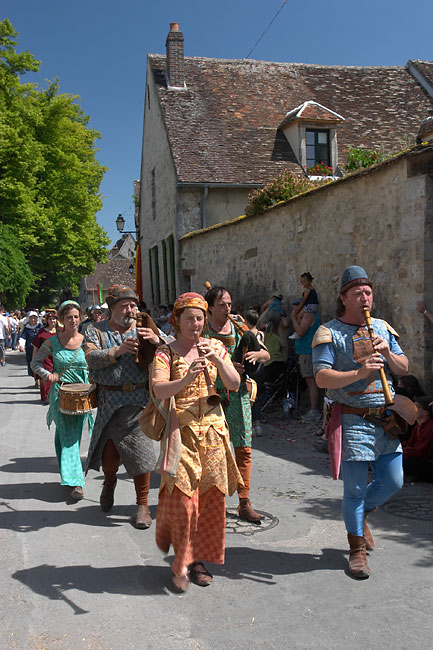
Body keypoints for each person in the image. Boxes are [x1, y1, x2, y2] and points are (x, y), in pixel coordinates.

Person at [312, 265, 409, 580]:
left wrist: (388, 355)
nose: (365, 298)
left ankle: (363, 513)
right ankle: (356, 551)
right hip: (353, 418)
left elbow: (404, 367)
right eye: (358, 293)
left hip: (385, 418)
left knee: (393, 480)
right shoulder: (329, 331)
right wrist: (360, 372)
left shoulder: (382, 327)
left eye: (368, 292)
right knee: (353, 488)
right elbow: (322, 377)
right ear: (343, 297)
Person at [152, 292, 242, 592]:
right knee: (184, 502)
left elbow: (234, 383)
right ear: (176, 321)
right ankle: (183, 557)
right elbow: (159, 390)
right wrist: (186, 379)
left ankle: (198, 560)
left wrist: (217, 358)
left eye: (200, 318)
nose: (195, 323)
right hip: (183, 434)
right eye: (189, 318)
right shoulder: (165, 352)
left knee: (212, 501)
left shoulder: (215, 346)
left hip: (214, 433)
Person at [83, 284, 170, 529]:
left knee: (142, 456)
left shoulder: (144, 327)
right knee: (109, 459)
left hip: (139, 403)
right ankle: (109, 482)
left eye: (133, 304)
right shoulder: (95, 331)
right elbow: (90, 358)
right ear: (112, 308)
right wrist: (118, 351)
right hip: (110, 404)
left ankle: (142, 505)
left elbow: (173, 348)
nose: (130, 309)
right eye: (124, 305)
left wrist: (159, 339)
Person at [204, 285, 270, 523]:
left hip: (239, 394)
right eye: (222, 305)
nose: (227, 309)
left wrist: (255, 356)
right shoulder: (201, 330)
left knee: (243, 448)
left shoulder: (240, 327)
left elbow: (266, 354)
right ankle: (214, 500)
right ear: (210, 307)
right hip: (211, 395)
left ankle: (244, 501)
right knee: (213, 451)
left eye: (229, 304)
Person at [31, 301, 94, 500]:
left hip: (82, 396)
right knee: (69, 437)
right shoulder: (53, 342)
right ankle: (76, 482)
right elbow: (35, 362)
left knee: (69, 435)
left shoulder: (87, 341)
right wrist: (47, 375)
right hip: (60, 395)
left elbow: (98, 361)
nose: (74, 321)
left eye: (76, 317)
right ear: (61, 320)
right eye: (69, 317)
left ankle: (66, 471)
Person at [291, 298, 321, 422]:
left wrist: (293, 318)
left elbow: (300, 331)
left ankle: (314, 410)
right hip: (306, 352)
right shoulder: (306, 317)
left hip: (308, 352)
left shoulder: (308, 316)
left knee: (311, 381)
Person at [402, 395, 433, 482]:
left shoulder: (430, 427)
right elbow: (410, 443)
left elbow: (419, 451)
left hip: (427, 462)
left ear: (425, 412)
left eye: (415, 407)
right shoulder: (418, 426)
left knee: (408, 462)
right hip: (418, 457)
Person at [32, 309, 58, 404]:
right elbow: (35, 347)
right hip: (45, 358)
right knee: (46, 377)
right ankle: (46, 397)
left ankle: (55, 397)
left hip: (57, 357)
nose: (52, 321)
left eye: (54, 319)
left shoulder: (60, 331)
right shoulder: (42, 332)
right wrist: (34, 360)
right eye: (50, 319)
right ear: (47, 321)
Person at [289, 272, 319, 339]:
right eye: (301, 282)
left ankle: (299, 329)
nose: (303, 283)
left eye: (304, 281)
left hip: (310, 306)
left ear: (309, 281)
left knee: (299, 316)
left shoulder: (307, 291)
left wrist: (297, 309)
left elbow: (303, 301)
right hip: (314, 306)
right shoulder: (313, 289)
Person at [19, 311, 43, 381]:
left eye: (34, 318)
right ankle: (35, 379)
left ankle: (40, 379)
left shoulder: (41, 327)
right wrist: (21, 345)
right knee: (31, 364)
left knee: (40, 364)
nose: (33, 320)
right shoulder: (27, 328)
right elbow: (23, 337)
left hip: (40, 349)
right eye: (31, 318)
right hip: (30, 349)